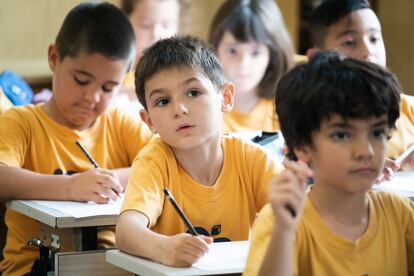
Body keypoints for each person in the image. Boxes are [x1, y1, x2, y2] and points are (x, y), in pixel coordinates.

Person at [0, 3, 152, 275]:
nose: (92, 97)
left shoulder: (121, 123)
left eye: (108, 88)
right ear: (54, 58)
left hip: (112, 264)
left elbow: (166, 166)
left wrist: (109, 180)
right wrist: (71, 186)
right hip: (33, 266)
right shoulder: (21, 122)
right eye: (82, 80)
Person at [115, 35, 283, 267]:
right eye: (163, 101)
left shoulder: (251, 158)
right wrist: (163, 248)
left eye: (193, 93)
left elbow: (297, 215)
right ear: (148, 120)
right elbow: (126, 231)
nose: (179, 109)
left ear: (225, 97)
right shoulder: (154, 162)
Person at [244, 51, 414, 275]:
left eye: (377, 132)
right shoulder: (281, 222)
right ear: (303, 146)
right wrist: (283, 233)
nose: (366, 150)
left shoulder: (399, 213)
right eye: (342, 135)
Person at [307, 0, 414, 169]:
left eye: (374, 39)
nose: (368, 51)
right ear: (317, 57)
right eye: (349, 42)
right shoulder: (305, 116)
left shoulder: (410, 110)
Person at [208, 0, 295, 133]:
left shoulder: (288, 107)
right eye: (232, 51)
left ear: (273, 54)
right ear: (214, 49)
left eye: (255, 53)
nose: (243, 63)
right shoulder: (204, 108)